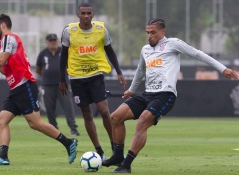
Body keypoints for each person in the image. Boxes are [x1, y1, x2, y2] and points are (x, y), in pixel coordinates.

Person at [102, 18, 239, 173]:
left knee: (142, 122)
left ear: (163, 31)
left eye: (153, 32)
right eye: (147, 33)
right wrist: (132, 90)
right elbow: (141, 71)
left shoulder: (173, 44)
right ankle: (118, 156)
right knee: (115, 117)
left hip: (165, 95)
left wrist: (223, 69)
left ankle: (126, 165)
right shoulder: (145, 50)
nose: (149, 36)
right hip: (147, 94)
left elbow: (197, 54)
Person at [0, 14, 77, 165]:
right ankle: (3, 157)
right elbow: (5, 70)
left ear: (2, 25)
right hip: (16, 89)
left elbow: (1, 60)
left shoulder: (9, 38)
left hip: (24, 85)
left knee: (35, 123)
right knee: (2, 120)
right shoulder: (4, 42)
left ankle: (68, 142)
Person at [60, 3, 127, 159]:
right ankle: (100, 152)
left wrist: (119, 72)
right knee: (87, 114)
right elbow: (63, 56)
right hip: (76, 78)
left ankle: (115, 149)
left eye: (89, 13)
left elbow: (110, 51)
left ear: (93, 14)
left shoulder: (101, 30)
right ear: (78, 15)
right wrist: (61, 79)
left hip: (96, 76)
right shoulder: (69, 31)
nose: (86, 16)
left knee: (104, 111)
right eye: (83, 13)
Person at [36, 33, 80, 136]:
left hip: (62, 84)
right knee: (50, 108)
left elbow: (71, 64)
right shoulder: (43, 54)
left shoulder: (63, 51)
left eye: (54, 41)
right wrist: (47, 74)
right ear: (47, 43)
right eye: (51, 41)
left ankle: (73, 128)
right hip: (47, 85)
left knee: (68, 106)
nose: (53, 43)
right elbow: (38, 69)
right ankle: (53, 129)